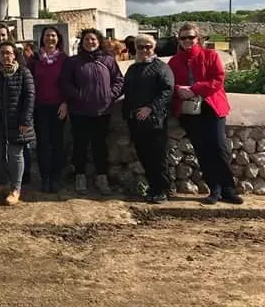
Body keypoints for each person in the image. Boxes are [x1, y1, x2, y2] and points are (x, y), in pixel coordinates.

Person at [168, 23, 243, 205]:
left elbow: (218, 79)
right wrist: (179, 89)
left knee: (219, 147)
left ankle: (228, 189)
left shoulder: (210, 55)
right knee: (203, 150)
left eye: (190, 37)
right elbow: (170, 83)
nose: (187, 41)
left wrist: (194, 89)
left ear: (198, 39)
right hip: (190, 111)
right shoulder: (174, 61)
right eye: (183, 38)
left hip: (212, 107)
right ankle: (214, 189)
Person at [61, 28, 124, 195]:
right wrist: (78, 95)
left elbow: (118, 79)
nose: (90, 42)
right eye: (87, 39)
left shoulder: (108, 60)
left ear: (99, 41)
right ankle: (79, 175)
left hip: (102, 111)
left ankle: (101, 176)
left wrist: (110, 95)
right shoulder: (73, 62)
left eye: (94, 39)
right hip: (79, 111)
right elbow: (65, 82)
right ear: (82, 42)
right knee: (80, 144)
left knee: (100, 145)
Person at [122, 34, 174, 204]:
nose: (144, 50)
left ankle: (162, 190)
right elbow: (125, 90)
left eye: (148, 47)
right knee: (144, 155)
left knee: (158, 157)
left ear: (153, 48)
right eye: (140, 47)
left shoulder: (161, 68)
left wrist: (150, 107)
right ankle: (153, 188)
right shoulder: (133, 69)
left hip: (154, 120)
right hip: (136, 120)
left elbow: (167, 90)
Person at [0, 42, 35, 205]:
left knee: (15, 155)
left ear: (15, 55)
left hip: (17, 121)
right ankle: (3, 182)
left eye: (8, 53)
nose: (5, 56)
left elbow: (30, 97)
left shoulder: (24, 72)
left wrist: (25, 120)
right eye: (2, 53)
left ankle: (16, 189)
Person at [30, 26, 68, 193]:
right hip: (40, 108)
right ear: (42, 38)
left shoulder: (64, 59)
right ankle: (45, 178)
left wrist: (66, 102)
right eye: (47, 36)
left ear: (58, 39)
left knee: (58, 143)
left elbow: (69, 83)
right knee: (43, 144)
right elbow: (29, 84)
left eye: (53, 35)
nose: (50, 38)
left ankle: (56, 177)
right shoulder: (35, 59)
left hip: (59, 107)